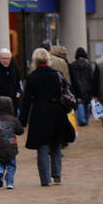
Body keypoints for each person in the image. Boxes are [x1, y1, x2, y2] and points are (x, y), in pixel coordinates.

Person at [20, 48, 73, 186]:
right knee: (56, 144)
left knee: (42, 146)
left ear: (35, 60)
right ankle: (57, 174)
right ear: (48, 59)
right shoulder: (57, 74)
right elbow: (67, 91)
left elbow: (26, 101)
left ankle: (45, 180)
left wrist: (22, 121)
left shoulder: (32, 77)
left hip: (39, 114)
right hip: (57, 112)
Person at [0, 95, 25, 190]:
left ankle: (0, 170)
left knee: (0, 161)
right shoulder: (13, 119)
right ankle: (10, 182)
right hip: (11, 145)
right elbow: (20, 131)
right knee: (11, 164)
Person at [0, 48, 22, 114]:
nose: (6, 61)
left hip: (13, 102)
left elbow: (19, 81)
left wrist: (18, 92)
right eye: (4, 58)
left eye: (8, 58)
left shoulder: (14, 67)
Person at [68, 47, 95, 126]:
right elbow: (91, 77)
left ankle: (81, 119)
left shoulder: (72, 65)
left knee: (79, 103)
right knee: (86, 104)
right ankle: (86, 119)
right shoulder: (88, 65)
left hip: (77, 87)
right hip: (87, 88)